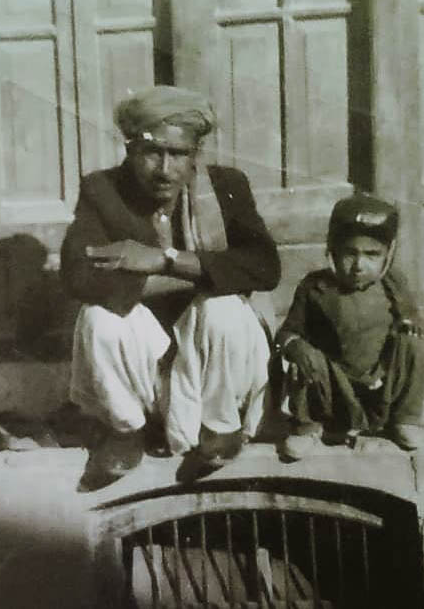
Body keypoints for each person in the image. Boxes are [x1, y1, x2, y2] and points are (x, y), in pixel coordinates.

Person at [60, 85, 281, 487]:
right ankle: (126, 430)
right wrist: (199, 276)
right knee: (100, 317)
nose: (164, 169)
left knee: (223, 308)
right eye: (152, 152)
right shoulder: (102, 190)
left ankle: (221, 426)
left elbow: (264, 268)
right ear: (130, 150)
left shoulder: (227, 185)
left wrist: (163, 260)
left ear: (195, 155)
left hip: (213, 360)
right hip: (148, 362)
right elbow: (79, 275)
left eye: (178, 154)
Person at [276, 193, 424, 460]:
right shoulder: (315, 287)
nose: (359, 265)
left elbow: (411, 321)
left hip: (380, 387)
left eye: (372, 255)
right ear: (333, 251)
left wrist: (409, 326)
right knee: (303, 358)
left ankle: (404, 419)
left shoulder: (394, 285)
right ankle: (308, 425)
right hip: (333, 390)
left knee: (418, 346)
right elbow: (287, 332)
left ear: (389, 254)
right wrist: (295, 345)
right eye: (350, 253)